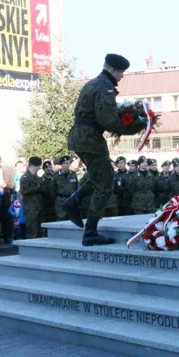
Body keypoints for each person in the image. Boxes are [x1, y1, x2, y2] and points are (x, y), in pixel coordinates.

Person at [61, 54, 139, 245]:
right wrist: (133, 126)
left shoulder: (95, 83)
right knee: (105, 185)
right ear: (113, 70)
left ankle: (73, 201)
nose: (122, 77)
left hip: (83, 136)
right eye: (121, 73)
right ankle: (90, 233)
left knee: (101, 176)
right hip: (90, 139)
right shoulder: (105, 87)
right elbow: (108, 121)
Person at [19, 156, 48, 239]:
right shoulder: (25, 177)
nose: (39, 168)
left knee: (40, 232)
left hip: (39, 207)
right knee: (32, 232)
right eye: (39, 166)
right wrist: (38, 188)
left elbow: (44, 188)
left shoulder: (38, 177)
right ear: (36, 166)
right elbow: (24, 191)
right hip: (31, 209)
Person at [54, 155, 79, 222]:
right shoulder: (56, 176)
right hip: (60, 202)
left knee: (72, 220)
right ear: (61, 164)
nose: (65, 165)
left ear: (69, 164)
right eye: (63, 163)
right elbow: (52, 190)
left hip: (71, 200)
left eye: (67, 163)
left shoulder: (73, 174)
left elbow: (76, 187)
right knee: (61, 220)